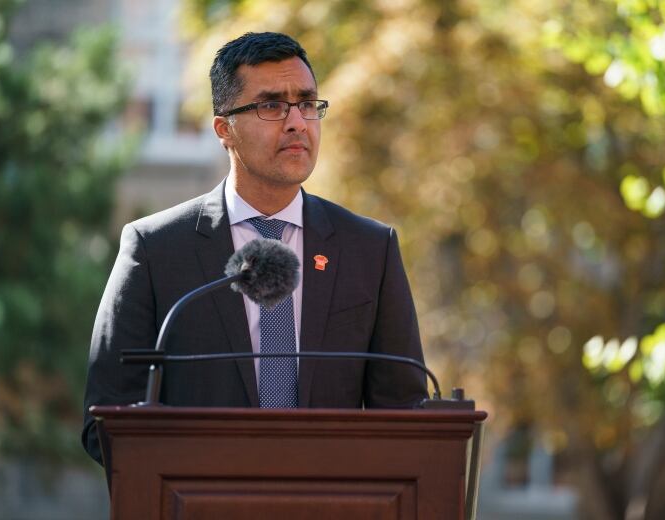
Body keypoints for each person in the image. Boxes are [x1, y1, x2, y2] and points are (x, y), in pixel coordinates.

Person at [82, 32, 428, 465]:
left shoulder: (370, 250)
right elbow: (108, 420)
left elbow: (402, 414)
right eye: (271, 106)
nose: (297, 122)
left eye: (307, 103)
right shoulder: (154, 249)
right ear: (224, 129)